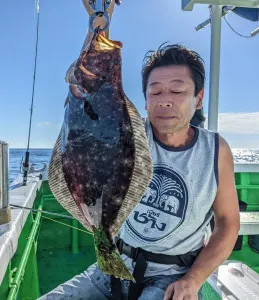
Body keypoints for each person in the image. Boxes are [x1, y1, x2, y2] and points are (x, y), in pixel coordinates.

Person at [39, 44, 240, 300]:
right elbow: (91, 89)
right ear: (145, 100)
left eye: (177, 91)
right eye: (155, 92)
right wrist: (99, 26)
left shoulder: (216, 150)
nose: (165, 100)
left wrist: (193, 280)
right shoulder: (128, 133)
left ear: (198, 99)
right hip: (114, 263)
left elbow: (228, 223)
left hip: (174, 275)